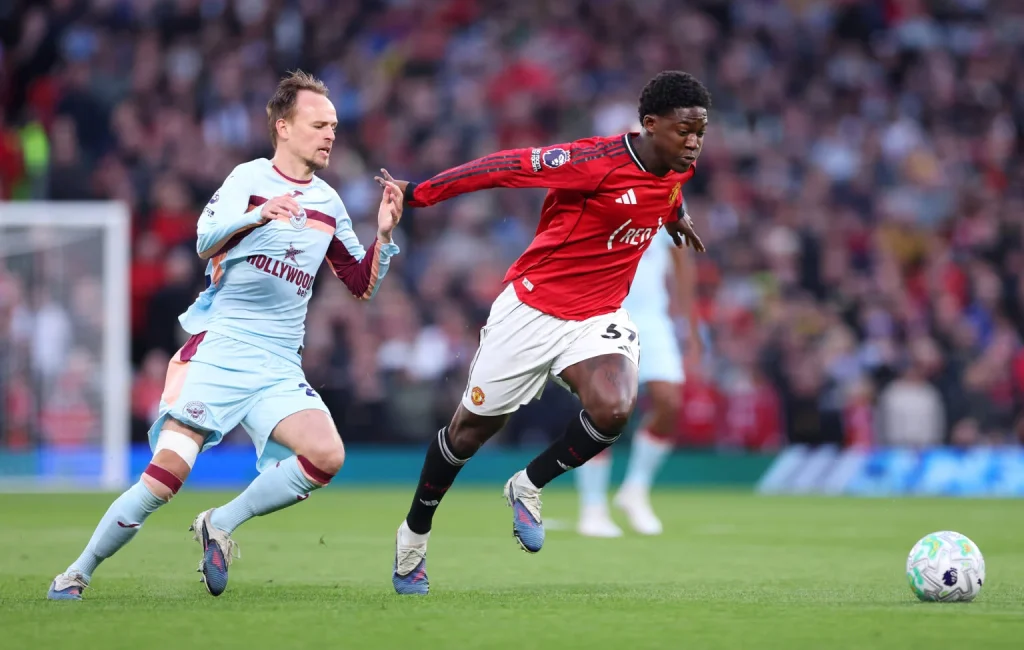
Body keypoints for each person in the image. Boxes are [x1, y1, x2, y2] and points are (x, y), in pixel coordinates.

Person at [47, 71, 404, 600]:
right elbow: (202, 240)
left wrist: (385, 234)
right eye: (318, 124)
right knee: (164, 478)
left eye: (333, 125)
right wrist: (259, 214)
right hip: (221, 349)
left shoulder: (329, 203)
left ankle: (220, 523)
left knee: (327, 455)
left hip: (279, 363)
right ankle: (75, 573)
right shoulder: (248, 178)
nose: (330, 134)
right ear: (283, 127)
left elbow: (359, 284)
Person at [377, 70, 712, 595]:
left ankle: (528, 485)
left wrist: (676, 216)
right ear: (650, 124)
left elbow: (665, 192)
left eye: (700, 132)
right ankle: (413, 537)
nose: (693, 143)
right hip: (532, 309)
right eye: (683, 131)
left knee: (615, 408)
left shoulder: (676, 167)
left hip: (598, 315)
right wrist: (416, 193)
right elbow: (504, 168)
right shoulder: (593, 161)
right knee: (468, 434)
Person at [575, 225, 701, 537]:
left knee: (669, 402)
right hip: (605, 317)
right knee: (606, 411)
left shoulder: (666, 205)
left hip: (653, 321)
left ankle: (635, 489)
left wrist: (692, 328)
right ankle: (592, 508)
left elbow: (683, 264)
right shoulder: (603, 197)